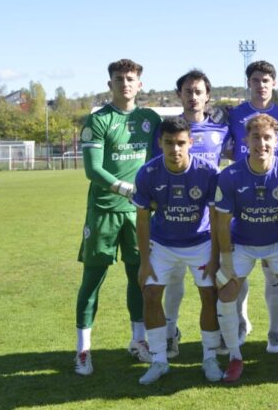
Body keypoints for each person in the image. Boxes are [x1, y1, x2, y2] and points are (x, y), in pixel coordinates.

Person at [74, 59, 161, 376]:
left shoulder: (150, 119)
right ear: (110, 84)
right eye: (119, 78)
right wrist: (129, 189)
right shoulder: (97, 121)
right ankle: (83, 350)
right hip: (104, 214)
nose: (125, 83)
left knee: (138, 278)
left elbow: (157, 159)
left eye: (131, 78)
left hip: (138, 216)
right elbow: (92, 170)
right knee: (92, 280)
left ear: (140, 84)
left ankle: (139, 341)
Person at [213, 114, 278, 382]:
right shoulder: (231, 175)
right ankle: (234, 357)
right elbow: (222, 224)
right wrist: (226, 261)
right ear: (246, 140)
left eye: (267, 137)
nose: (261, 143)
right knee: (227, 291)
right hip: (242, 243)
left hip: (277, 241)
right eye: (256, 137)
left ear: (276, 142)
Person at [133, 116, 222, 384]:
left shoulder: (207, 172)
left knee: (209, 297)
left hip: (200, 243)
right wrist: (145, 262)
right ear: (160, 143)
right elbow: (142, 219)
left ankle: (210, 357)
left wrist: (216, 257)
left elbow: (217, 219)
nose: (175, 149)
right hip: (162, 244)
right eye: (169, 143)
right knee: (150, 294)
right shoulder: (148, 173)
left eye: (181, 143)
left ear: (190, 143)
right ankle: (159, 360)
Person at [150, 69, 231, 360]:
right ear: (179, 95)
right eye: (188, 91)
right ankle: (171, 333)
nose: (193, 96)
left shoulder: (222, 129)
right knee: (173, 282)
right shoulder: (169, 131)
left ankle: (221, 332)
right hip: (172, 221)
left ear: (207, 96)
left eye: (199, 91)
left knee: (216, 280)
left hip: (208, 222)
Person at [226, 60, 278, 354]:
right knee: (237, 278)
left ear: (274, 83)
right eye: (255, 80)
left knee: (275, 278)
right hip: (241, 196)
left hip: (275, 196)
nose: (261, 85)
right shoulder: (234, 114)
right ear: (249, 84)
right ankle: (242, 323)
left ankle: (274, 332)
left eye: (266, 80)